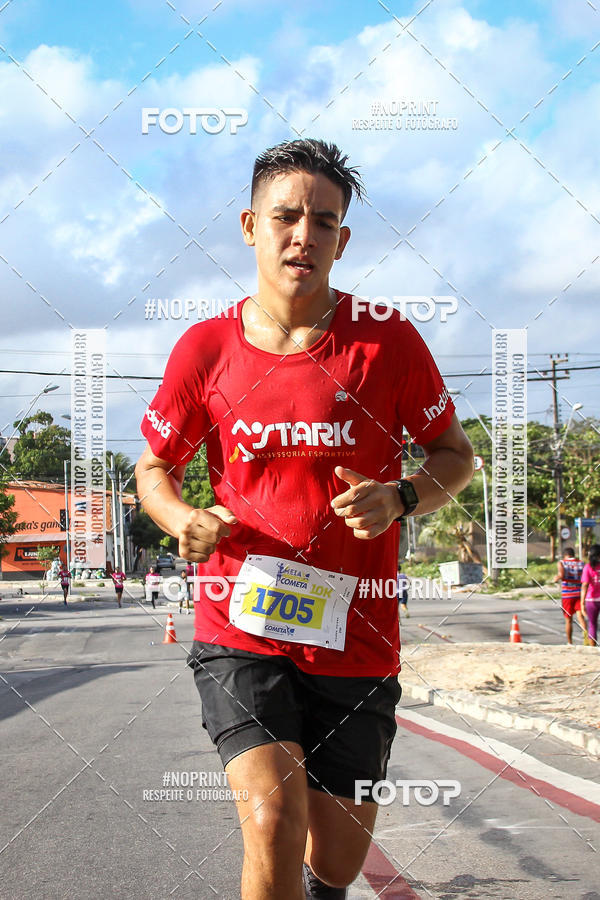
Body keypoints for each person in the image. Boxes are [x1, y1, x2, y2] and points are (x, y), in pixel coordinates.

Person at [135, 139, 474, 900]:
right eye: (285, 216)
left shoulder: (387, 340)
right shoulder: (205, 348)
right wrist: (181, 517)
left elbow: (455, 455)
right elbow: (154, 469)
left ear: (342, 240)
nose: (303, 235)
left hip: (357, 635)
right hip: (241, 626)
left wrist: (403, 496)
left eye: (323, 222)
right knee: (271, 818)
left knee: (338, 859)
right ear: (249, 226)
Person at [553, 547, 586, 644]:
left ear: (565, 555)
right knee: (581, 618)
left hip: (567, 595)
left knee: (568, 620)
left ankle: (570, 642)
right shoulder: (581, 563)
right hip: (579, 594)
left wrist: (556, 579)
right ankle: (587, 640)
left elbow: (561, 575)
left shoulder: (562, 563)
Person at [580, 544, 600, 647]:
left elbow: (585, 585)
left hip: (591, 600)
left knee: (592, 625)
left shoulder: (588, 567)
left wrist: (582, 603)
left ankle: (593, 647)